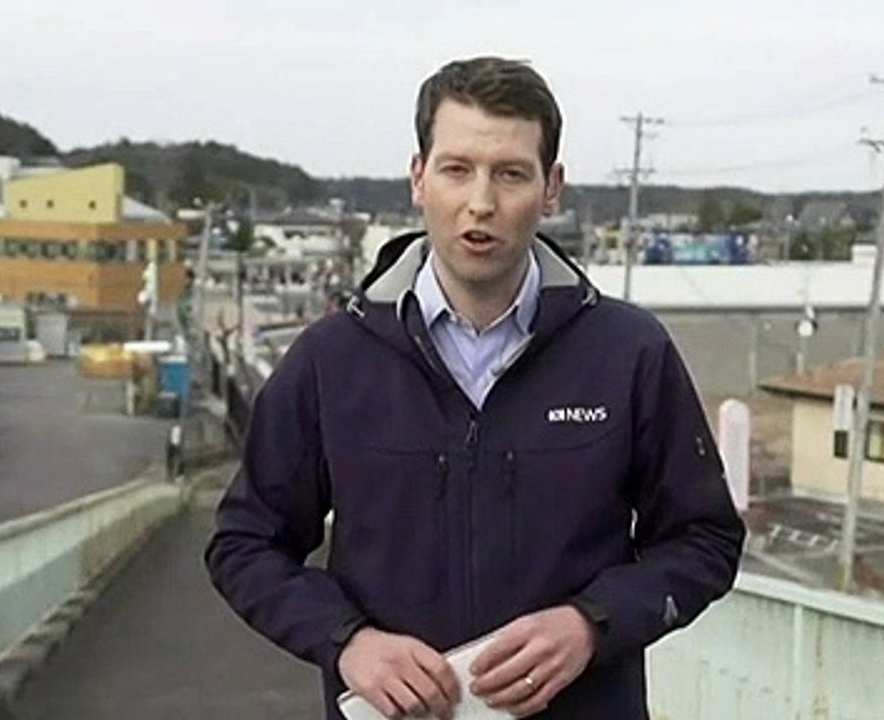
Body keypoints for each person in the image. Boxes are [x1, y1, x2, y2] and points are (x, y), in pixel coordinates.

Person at [206, 56, 745, 720]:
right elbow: (245, 544)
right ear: (418, 177)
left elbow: (704, 539)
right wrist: (347, 643)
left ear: (552, 188)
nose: (481, 203)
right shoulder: (332, 360)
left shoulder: (628, 352)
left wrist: (591, 624)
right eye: (456, 169)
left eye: (511, 173)